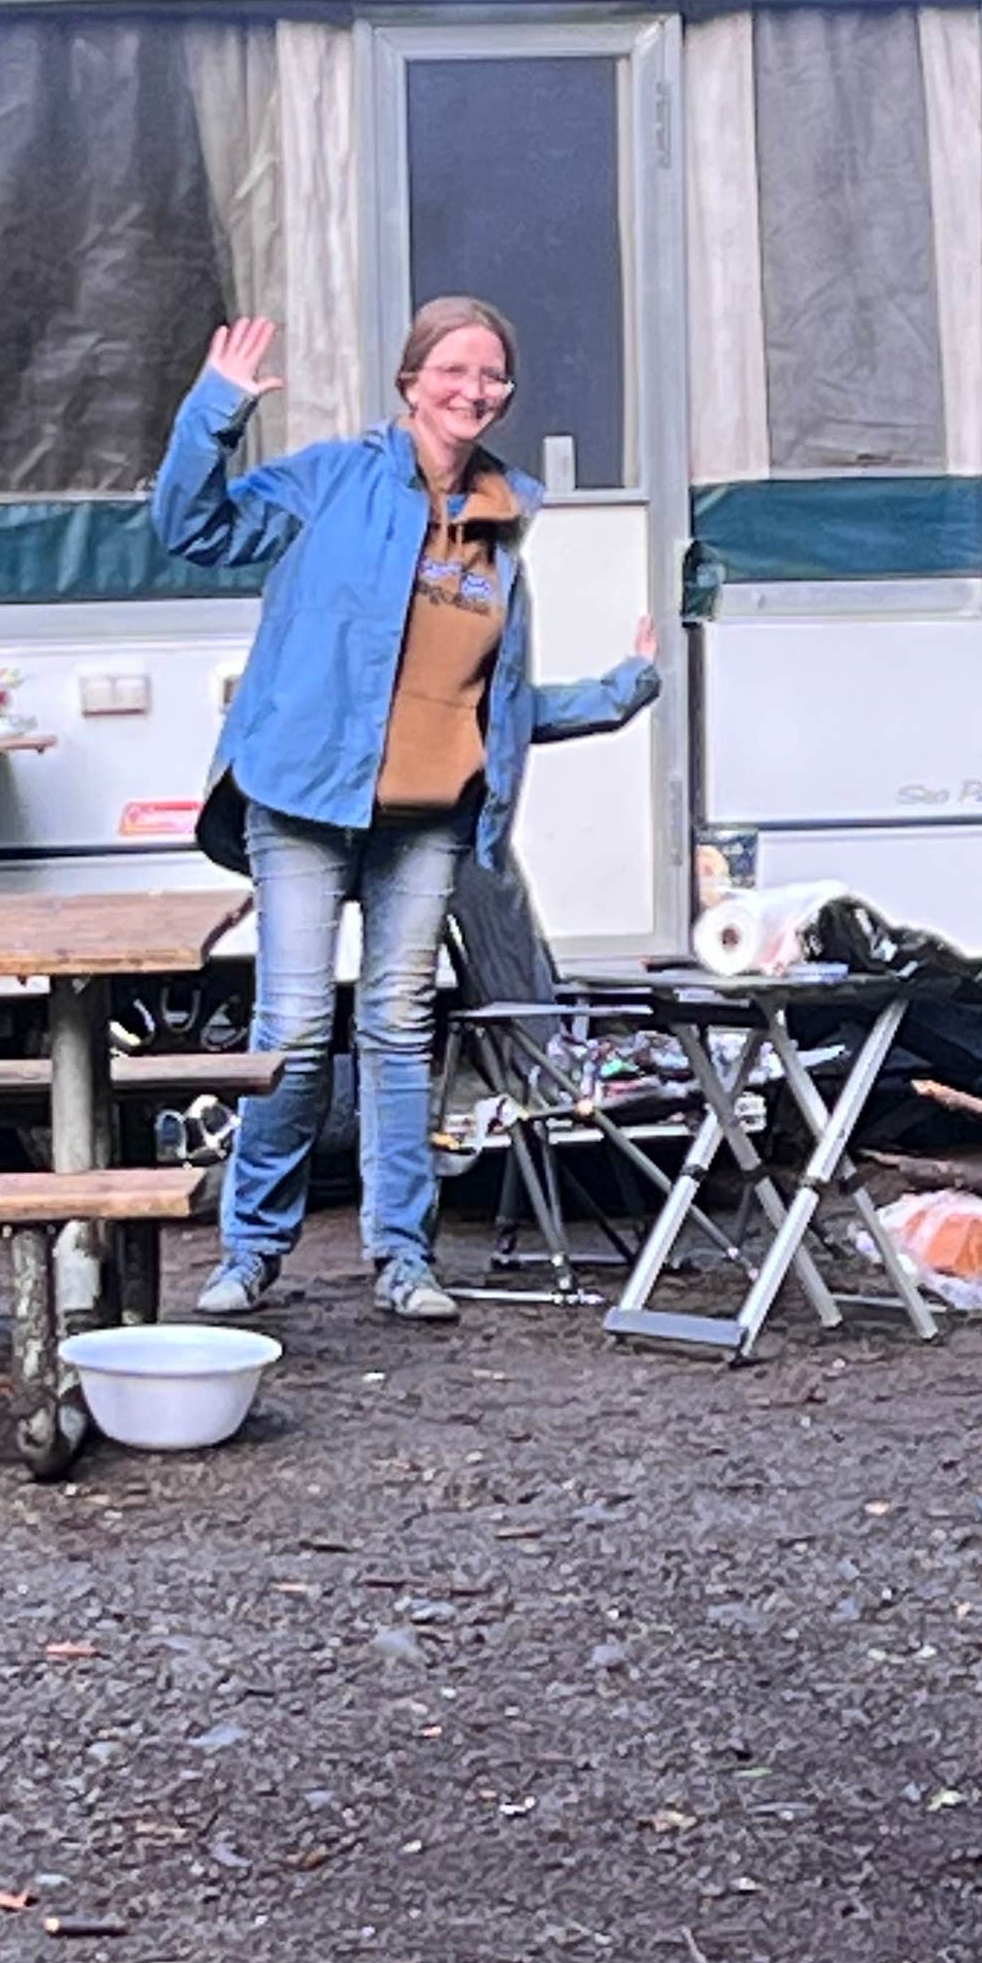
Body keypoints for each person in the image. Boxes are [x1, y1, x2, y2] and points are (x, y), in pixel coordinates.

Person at [149, 294, 659, 1322]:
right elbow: (190, 528)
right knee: (291, 1031)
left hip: (427, 815)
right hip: (298, 797)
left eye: (492, 377)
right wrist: (217, 407)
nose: (472, 390)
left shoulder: (502, 525)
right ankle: (251, 1250)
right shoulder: (333, 478)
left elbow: (496, 706)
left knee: (395, 1026)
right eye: (454, 370)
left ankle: (402, 1258)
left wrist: (614, 695)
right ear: (410, 379)